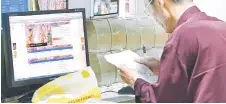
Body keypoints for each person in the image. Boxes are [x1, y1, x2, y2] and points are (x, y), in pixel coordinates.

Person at [119, 0, 226, 103]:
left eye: (152, 8)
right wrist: (163, 68)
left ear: (160, 3)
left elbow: (161, 100)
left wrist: (135, 81)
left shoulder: (182, 36)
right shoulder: (221, 26)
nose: (153, 14)